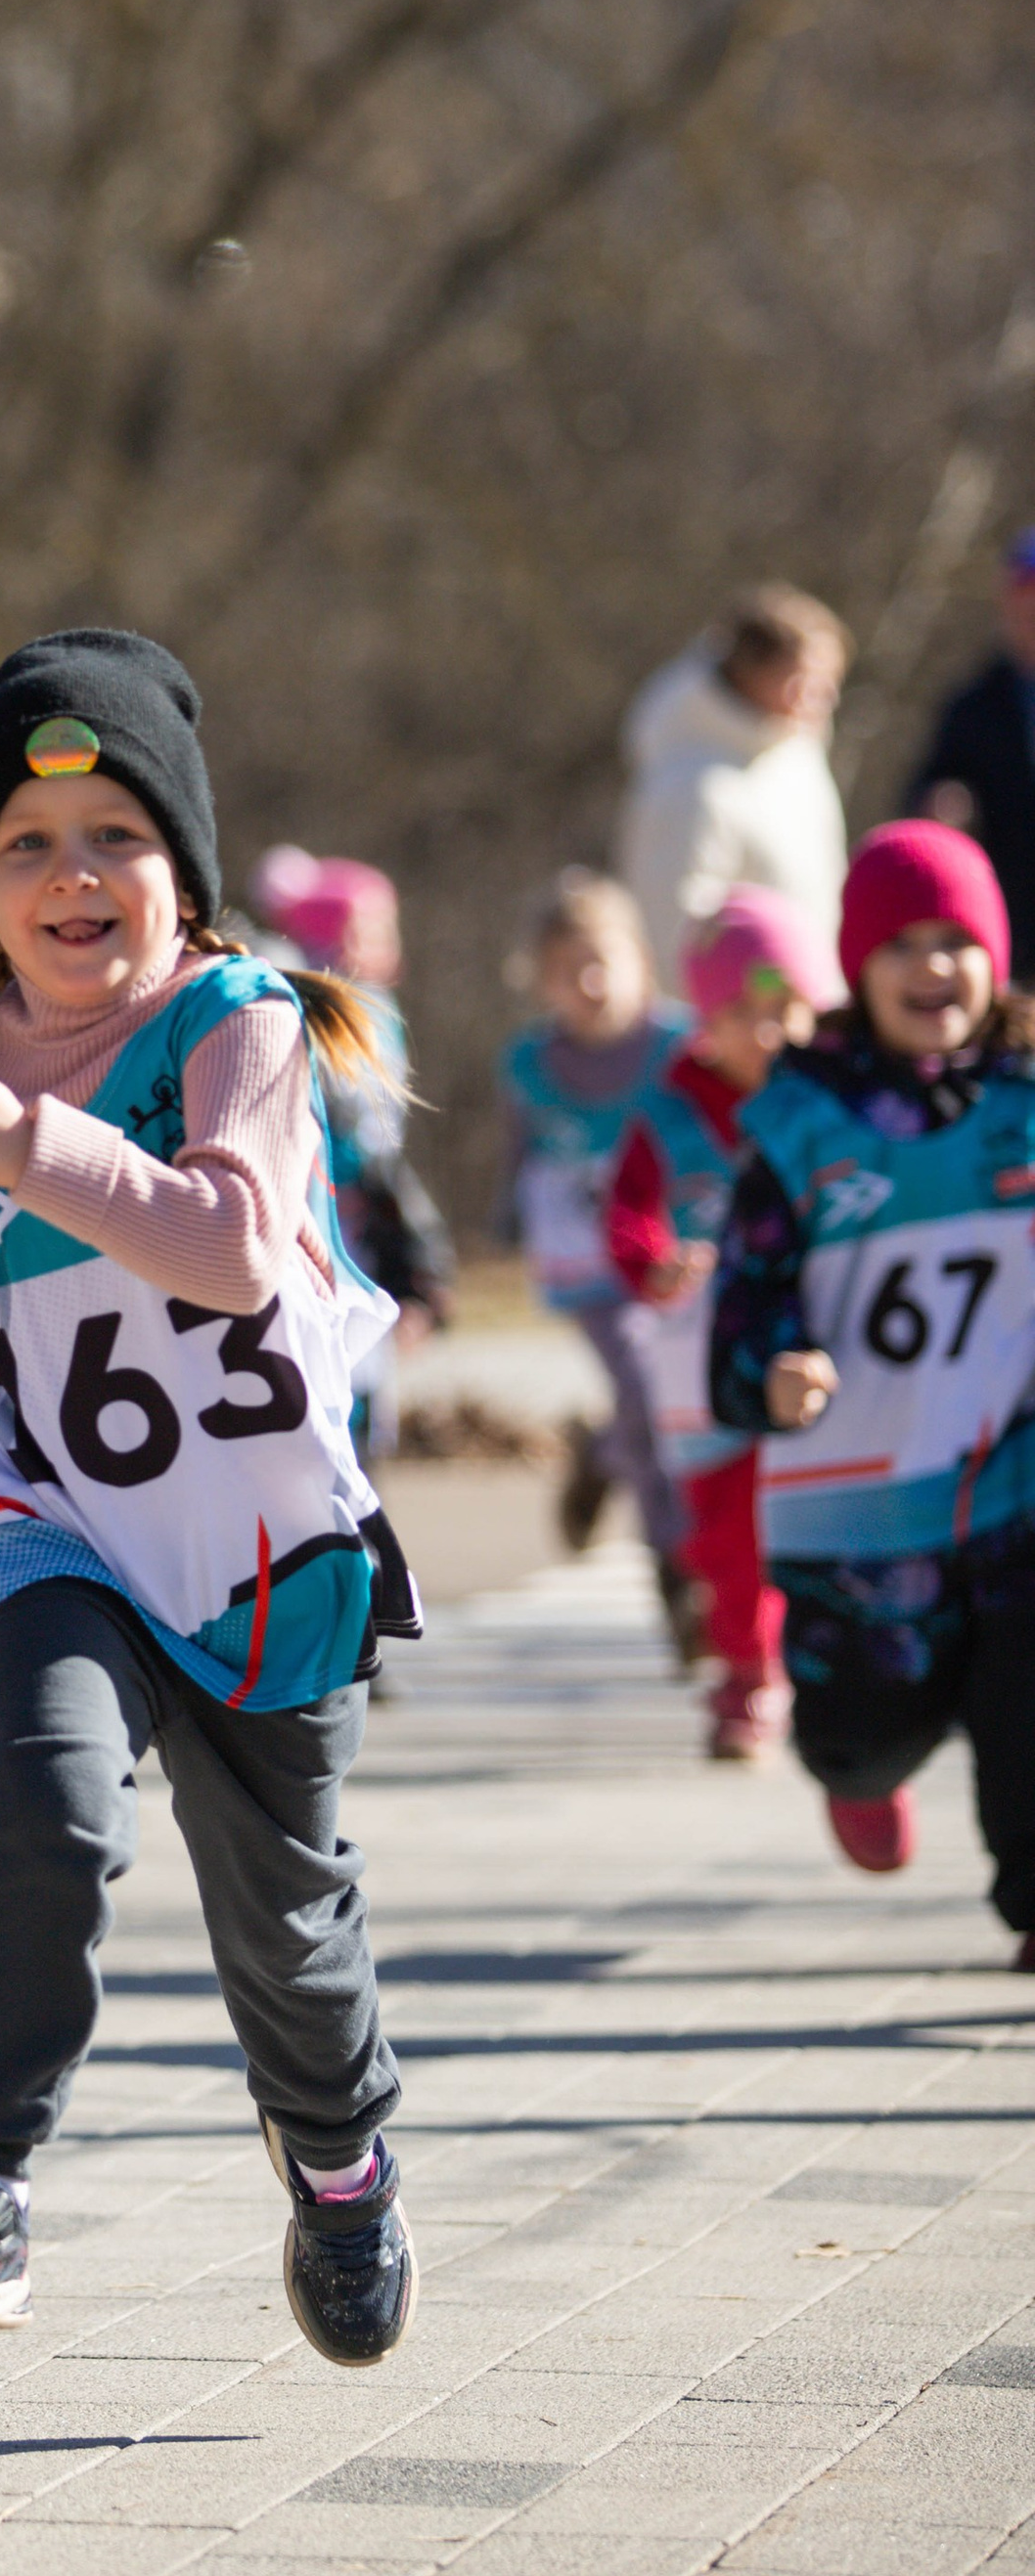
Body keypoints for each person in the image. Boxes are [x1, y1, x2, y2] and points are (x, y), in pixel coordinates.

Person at [0, 633, 420, 2360]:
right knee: (49, 1798)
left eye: (116, 839)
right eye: (27, 845)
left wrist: (28, 1149)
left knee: (283, 1914)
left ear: (185, 870)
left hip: (250, 1537)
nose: (73, 878)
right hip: (43, 1503)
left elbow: (229, 1256)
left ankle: (340, 2164)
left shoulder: (240, 1023)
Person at [709, 822, 1035, 1966]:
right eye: (902, 944)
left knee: (1025, 1698)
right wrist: (774, 1369)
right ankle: (859, 1768)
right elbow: (740, 1314)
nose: (932, 966)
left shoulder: (1026, 1103)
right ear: (858, 969)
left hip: (1010, 1484)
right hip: (861, 1505)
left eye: (956, 940)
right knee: (858, 1736)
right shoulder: (803, 1127)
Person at [603, 889, 838, 1763]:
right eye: (743, 1013)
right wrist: (652, 1262)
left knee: (825, 1516)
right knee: (725, 1530)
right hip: (702, 1358)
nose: (769, 1034)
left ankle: (831, 1664)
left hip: (815, 1350)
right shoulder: (668, 1114)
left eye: (788, 1009)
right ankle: (746, 1669)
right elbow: (627, 1216)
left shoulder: (833, 1105)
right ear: (705, 1018)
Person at [499, 869, 697, 1646]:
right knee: (648, 1387)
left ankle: (602, 1451)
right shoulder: (529, 1063)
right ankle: (679, 1574)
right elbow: (524, 1149)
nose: (588, 983)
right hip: (587, 1260)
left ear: (640, 961)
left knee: (669, 1399)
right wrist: (507, 1217)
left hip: (672, 1248)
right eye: (566, 970)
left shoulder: (679, 1047)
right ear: (542, 981)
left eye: (602, 961)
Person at [253, 854, 455, 1457]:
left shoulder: (348, 1006)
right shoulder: (344, 1010)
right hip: (336, 1211)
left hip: (336, 1215)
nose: (391, 947)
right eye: (375, 931)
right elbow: (374, 1147)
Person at [618, 583, 850, 993]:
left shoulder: (798, 754)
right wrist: (760, 1004)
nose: (825, 699)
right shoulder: (689, 786)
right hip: (742, 1031)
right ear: (750, 675)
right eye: (805, 684)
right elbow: (677, 940)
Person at [907, 530, 1035, 977]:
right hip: (1008, 923)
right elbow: (926, 789)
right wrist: (940, 801)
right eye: (1023, 600)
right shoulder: (975, 705)